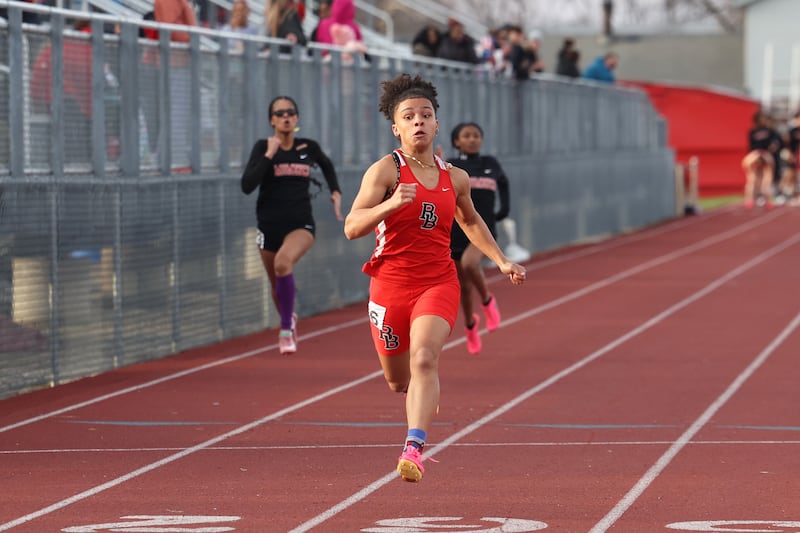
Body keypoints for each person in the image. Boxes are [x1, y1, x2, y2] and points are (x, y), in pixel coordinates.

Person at [343, 74, 526, 483]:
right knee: (397, 381)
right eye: (409, 116)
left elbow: (471, 219)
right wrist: (389, 205)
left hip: (437, 282)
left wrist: (500, 260)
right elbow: (352, 226)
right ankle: (420, 396)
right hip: (389, 286)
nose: (419, 121)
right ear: (397, 127)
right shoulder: (384, 172)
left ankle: (414, 447)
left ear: (437, 124)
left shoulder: (455, 177)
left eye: (426, 114)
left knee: (425, 357)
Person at [241, 96, 343, 354]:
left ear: (296, 119)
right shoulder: (263, 147)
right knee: (276, 285)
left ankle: (286, 329)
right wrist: (268, 155)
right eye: (280, 113)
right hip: (268, 226)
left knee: (283, 263)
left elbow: (328, 166)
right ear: (272, 120)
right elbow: (247, 185)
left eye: (290, 112)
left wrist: (335, 192)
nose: (285, 116)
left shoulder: (309, 146)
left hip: (300, 225)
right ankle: (290, 317)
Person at [444, 122, 510, 355]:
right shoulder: (452, 166)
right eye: (466, 136)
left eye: (476, 135)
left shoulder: (490, 163)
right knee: (463, 286)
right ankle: (471, 326)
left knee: (471, 264)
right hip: (455, 231)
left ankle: (487, 300)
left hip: (484, 231)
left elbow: (503, 183)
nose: (472, 139)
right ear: (456, 141)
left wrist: (503, 211)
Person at [741, 110, 779, 209]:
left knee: (766, 179)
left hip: (766, 154)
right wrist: (757, 156)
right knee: (752, 179)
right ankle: (749, 200)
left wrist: (772, 147)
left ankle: (769, 199)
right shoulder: (752, 131)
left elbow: (775, 144)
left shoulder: (770, 130)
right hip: (755, 155)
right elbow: (751, 146)